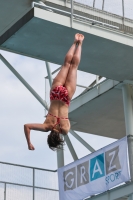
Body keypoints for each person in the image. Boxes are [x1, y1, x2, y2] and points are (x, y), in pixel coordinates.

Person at [24, 33, 84, 151]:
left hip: (66, 97)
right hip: (55, 94)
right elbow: (27, 126)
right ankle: (74, 42)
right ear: (49, 136)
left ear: (59, 138)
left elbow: (64, 127)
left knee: (74, 66)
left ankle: (80, 44)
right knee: (66, 64)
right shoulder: (46, 126)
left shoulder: (65, 130)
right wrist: (29, 143)